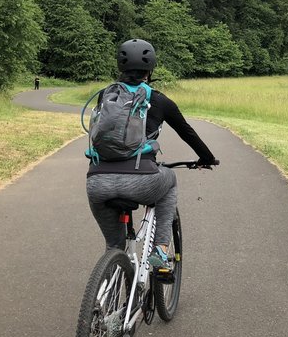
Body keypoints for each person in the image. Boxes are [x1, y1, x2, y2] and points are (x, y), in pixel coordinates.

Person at [85, 39, 218, 269]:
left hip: (97, 182)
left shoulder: (106, 95)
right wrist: (206, 158)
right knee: (170, 180)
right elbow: (188, 133)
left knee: (114, 246)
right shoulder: (158, 100)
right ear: (150, 69)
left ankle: (105, 295)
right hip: (141, 180)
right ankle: (161, 249)